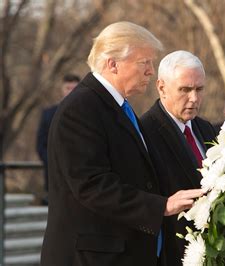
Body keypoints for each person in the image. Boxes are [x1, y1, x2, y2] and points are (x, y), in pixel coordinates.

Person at [40, 22, 204, 266]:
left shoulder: (115, 107)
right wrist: (161, 205)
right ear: (112, 64)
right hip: (92, 257)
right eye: (144, 62)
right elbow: (92, 186)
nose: (151, 71)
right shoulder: (81, 109)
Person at [141, 50, 217, 265]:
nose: (194, 98)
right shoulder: (144, 132)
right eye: (185, 89)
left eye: (199, 89)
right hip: (170, 254)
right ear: (161, 88)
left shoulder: (205, 128)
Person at [36, 74, 80, 205]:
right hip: (54, 176)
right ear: (62, 89)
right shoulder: (48, 114)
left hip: (80, 176)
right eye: (68, 88)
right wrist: (53, 161)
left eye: (74, 88)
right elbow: (40, 144)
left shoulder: (89, 113)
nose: (70, 91)